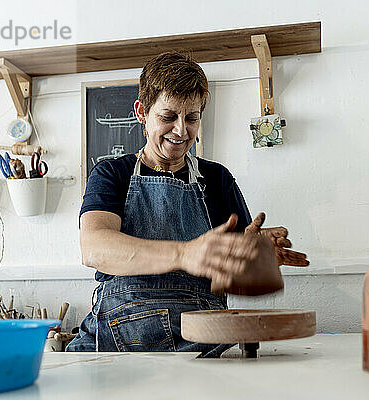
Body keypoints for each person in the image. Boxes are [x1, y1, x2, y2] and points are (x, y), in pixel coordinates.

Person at [67, 52, 309, 357]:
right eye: (168, 116)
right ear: (142, 112)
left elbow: (231, 277)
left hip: (200, 343)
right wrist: (184, 253)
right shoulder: (112, 173)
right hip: (116, 345)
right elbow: (95, 248)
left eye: (191, 117)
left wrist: (253, 257)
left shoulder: (216, 178)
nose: (182, 131)